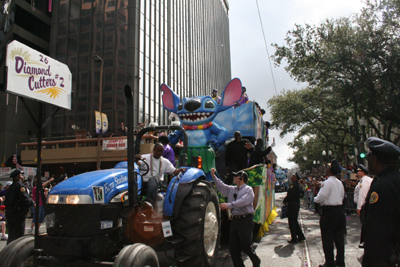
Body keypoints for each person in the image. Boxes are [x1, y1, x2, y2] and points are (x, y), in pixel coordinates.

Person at [361, 137, 400, 267]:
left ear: (375, 160)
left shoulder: (382, 185)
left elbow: (378, 228)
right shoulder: (394, 179)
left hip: (383, 257)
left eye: (369, 158)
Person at [210, 168, 261, 267]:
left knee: (246, 246)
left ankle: (256, 260)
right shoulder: (232, 189)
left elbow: (243, 201)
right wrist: (214, 176)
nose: (233, 177)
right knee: (233, 248)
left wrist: (229, 205)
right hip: (235, 220)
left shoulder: (248, 190)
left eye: (235, 176)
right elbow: (221, 186)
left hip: (245, 220)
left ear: (241, 178)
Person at [314, 159, 345, 267]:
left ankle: (330, 262)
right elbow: (342, 197)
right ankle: (340, 261)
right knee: (339, 239)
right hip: (339, 211)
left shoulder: (327, 183)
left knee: (327, 238)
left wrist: (315, 200)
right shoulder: (340, 183)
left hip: (329, 212)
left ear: (330, 170)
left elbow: (321, 197)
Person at [4, 169, 35, 245]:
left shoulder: (10, 188)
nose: (23, 176)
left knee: (11, 234)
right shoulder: (20, 186)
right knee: (18, 236)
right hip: (18, 214)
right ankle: (15, 253)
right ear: (19, 176)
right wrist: (33, 203)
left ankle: (9, 250)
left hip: (10, 213)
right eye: (21, 175)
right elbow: (25, 199)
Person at [283, 172, 306, 243]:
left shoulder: (293, 185)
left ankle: (294, 238)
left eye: (293, 176)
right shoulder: (298, 185)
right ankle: (301, 236)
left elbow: (290, 195)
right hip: (296, 204)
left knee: (292, 222)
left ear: (295, 178)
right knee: (294, 221)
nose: (291, 177)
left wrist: (285, 200)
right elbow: (302, 194)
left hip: (292, 205)